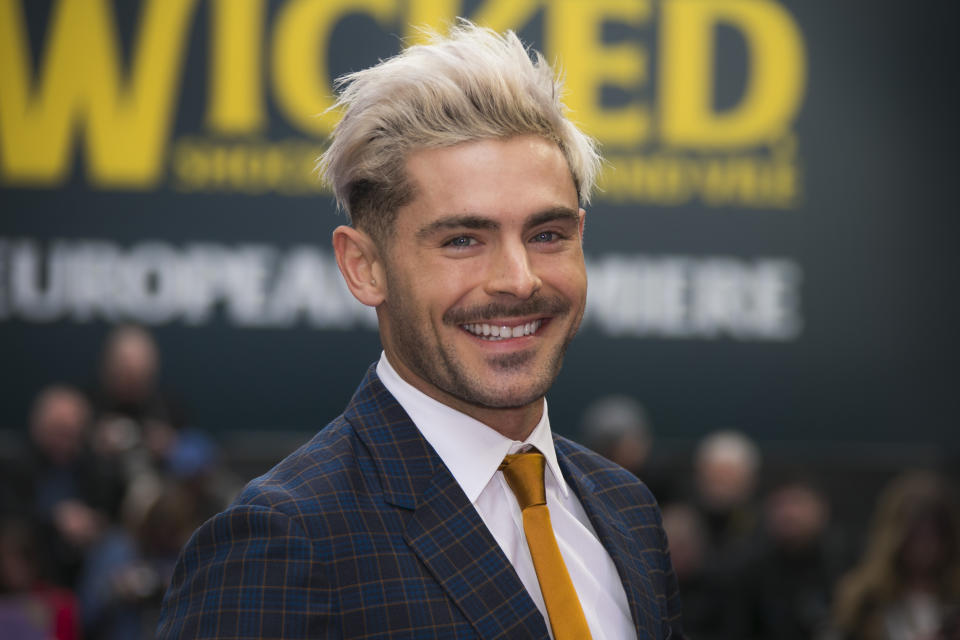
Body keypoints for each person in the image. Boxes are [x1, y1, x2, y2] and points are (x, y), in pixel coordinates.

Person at [158, 20, 683, 639]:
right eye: (463, 240)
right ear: (365, 267)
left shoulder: (627, 510)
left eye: (547, 235)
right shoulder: (282, 541)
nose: (518, 280)